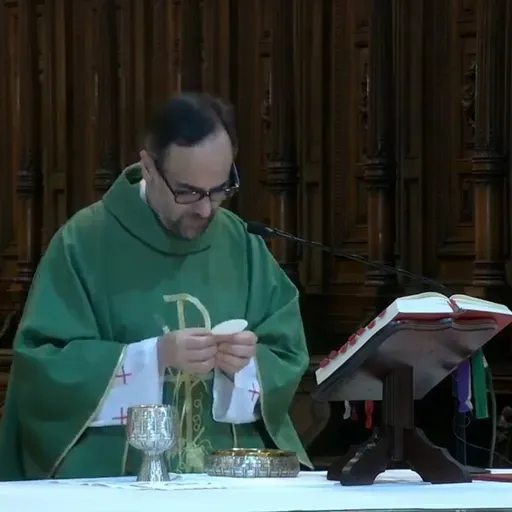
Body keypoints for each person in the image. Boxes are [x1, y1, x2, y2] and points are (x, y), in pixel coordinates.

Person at [0, 93, 312, 480]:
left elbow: (286, 352)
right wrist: (153, 357)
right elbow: (42, 368)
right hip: (116, 479)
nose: (205, 209)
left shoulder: (242, 244)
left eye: (220, 189)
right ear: (148, 167)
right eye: (188, 192)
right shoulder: (84, 243)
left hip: (228, 479)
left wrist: (247, 366)